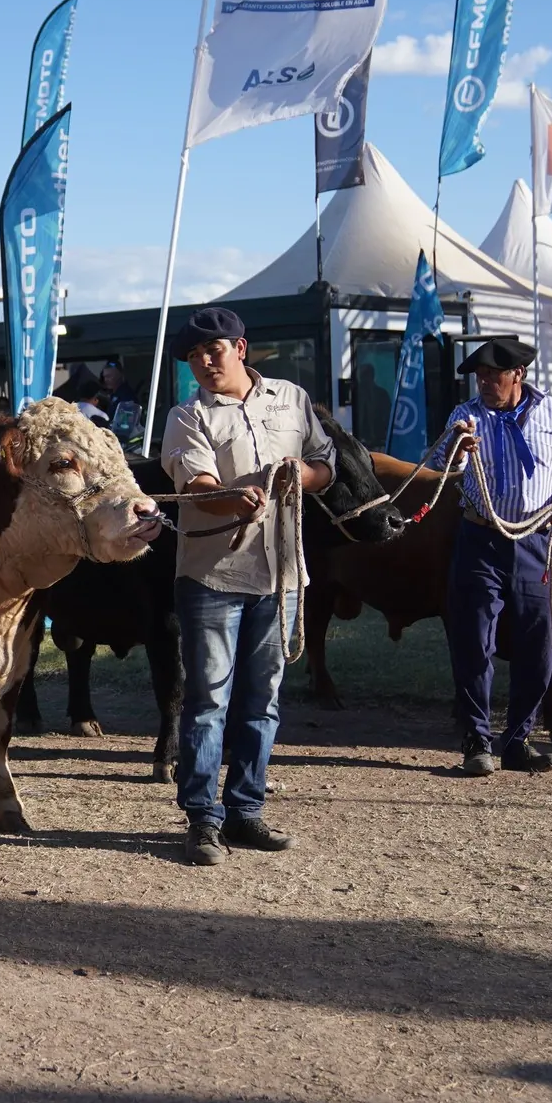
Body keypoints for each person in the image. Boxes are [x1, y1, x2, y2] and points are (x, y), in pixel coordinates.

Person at [160, 307, 333, 866]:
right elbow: (198, 485)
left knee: (263, 701)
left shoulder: (291, 398)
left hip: (282, 574)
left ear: (241, 348)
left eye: (213, 350)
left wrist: (296, 475)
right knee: (209, 700)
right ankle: (202, 820)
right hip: (213, 576)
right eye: (193, 356)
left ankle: (246, 812)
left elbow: (325, 465)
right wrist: (235, 496)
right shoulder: (187, 416)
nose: (204, 362)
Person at [431, 338, 552, 778]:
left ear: (517, 374)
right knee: (473, 639)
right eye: (479, 375)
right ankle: (476, 739)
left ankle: (518, 739)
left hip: (538, 542)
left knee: (539, 643)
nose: (484, 382)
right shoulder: (465, 417)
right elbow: (444, 470)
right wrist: (458, 453)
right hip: (481, 539)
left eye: (493, 375)